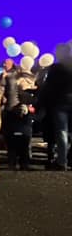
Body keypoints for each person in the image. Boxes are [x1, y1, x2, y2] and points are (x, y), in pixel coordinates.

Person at [38, 43, 72, 171]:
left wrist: (41, 103)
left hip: (60, 102)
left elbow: (49, 87)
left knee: (62, 132)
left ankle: (62, 161)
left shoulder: (57, 68)